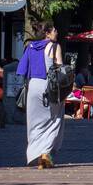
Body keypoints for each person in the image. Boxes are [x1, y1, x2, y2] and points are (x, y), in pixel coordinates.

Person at [17, 22, 65, 169]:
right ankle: (45, 154)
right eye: (55, 30)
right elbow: (60, 68)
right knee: (54, 120)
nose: (57, 33)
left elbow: (22, 69)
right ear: (47, 33)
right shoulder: (54, 46)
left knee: (35, 122)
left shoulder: (30, 47)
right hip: (49, 86)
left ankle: (34, 152)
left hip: (33, 87)